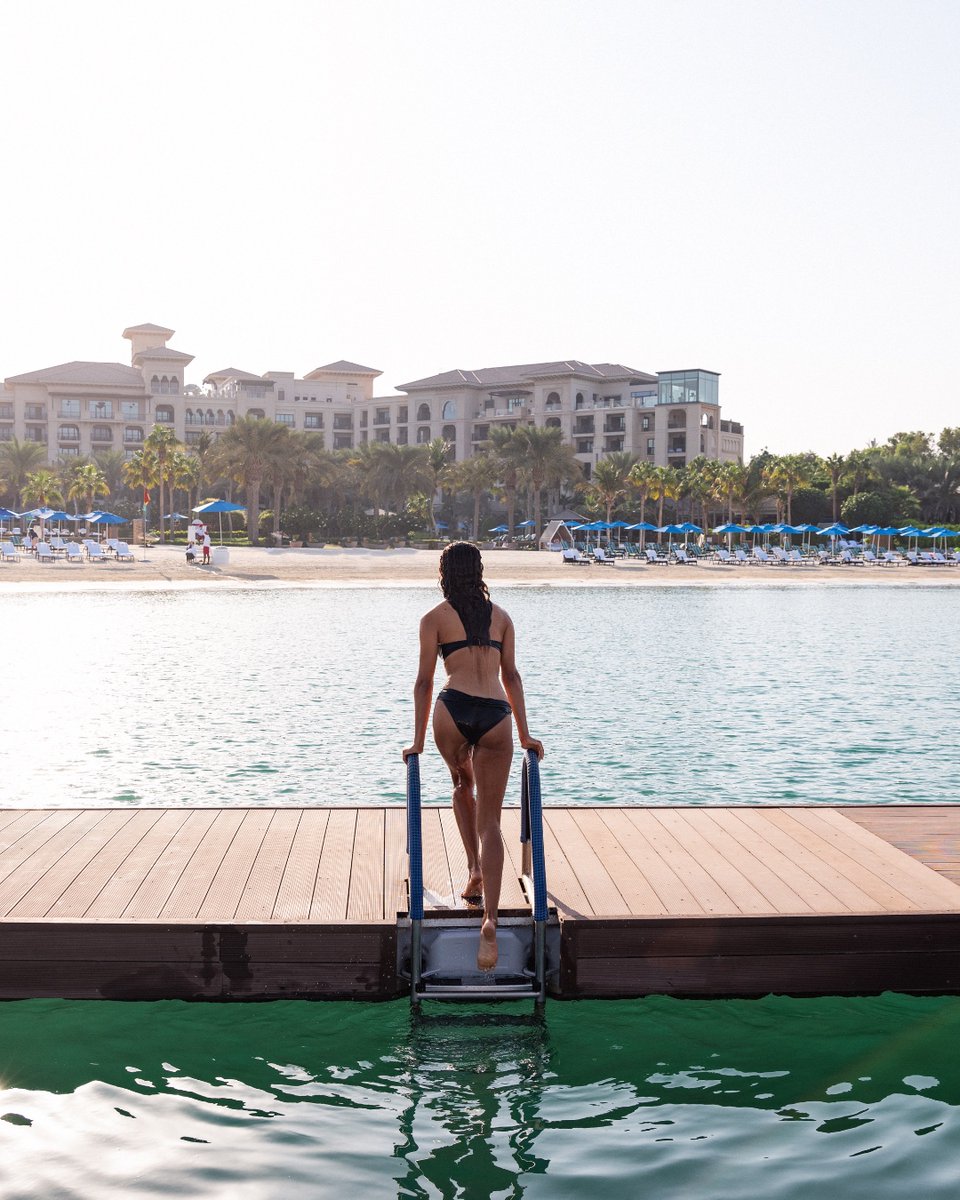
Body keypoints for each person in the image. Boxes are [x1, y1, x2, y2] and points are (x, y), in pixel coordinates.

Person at [402, 541, 544, 973]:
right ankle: (490, 921)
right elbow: (512, 676)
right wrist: (524, 734)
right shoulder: (502, 618)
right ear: (479, 571)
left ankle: (473, 871)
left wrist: (418, 742)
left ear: (444, 572)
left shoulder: (434, 619)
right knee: (492, 824)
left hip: (453, 708)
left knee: (461, 783)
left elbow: (425, 683)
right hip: (496, 714)